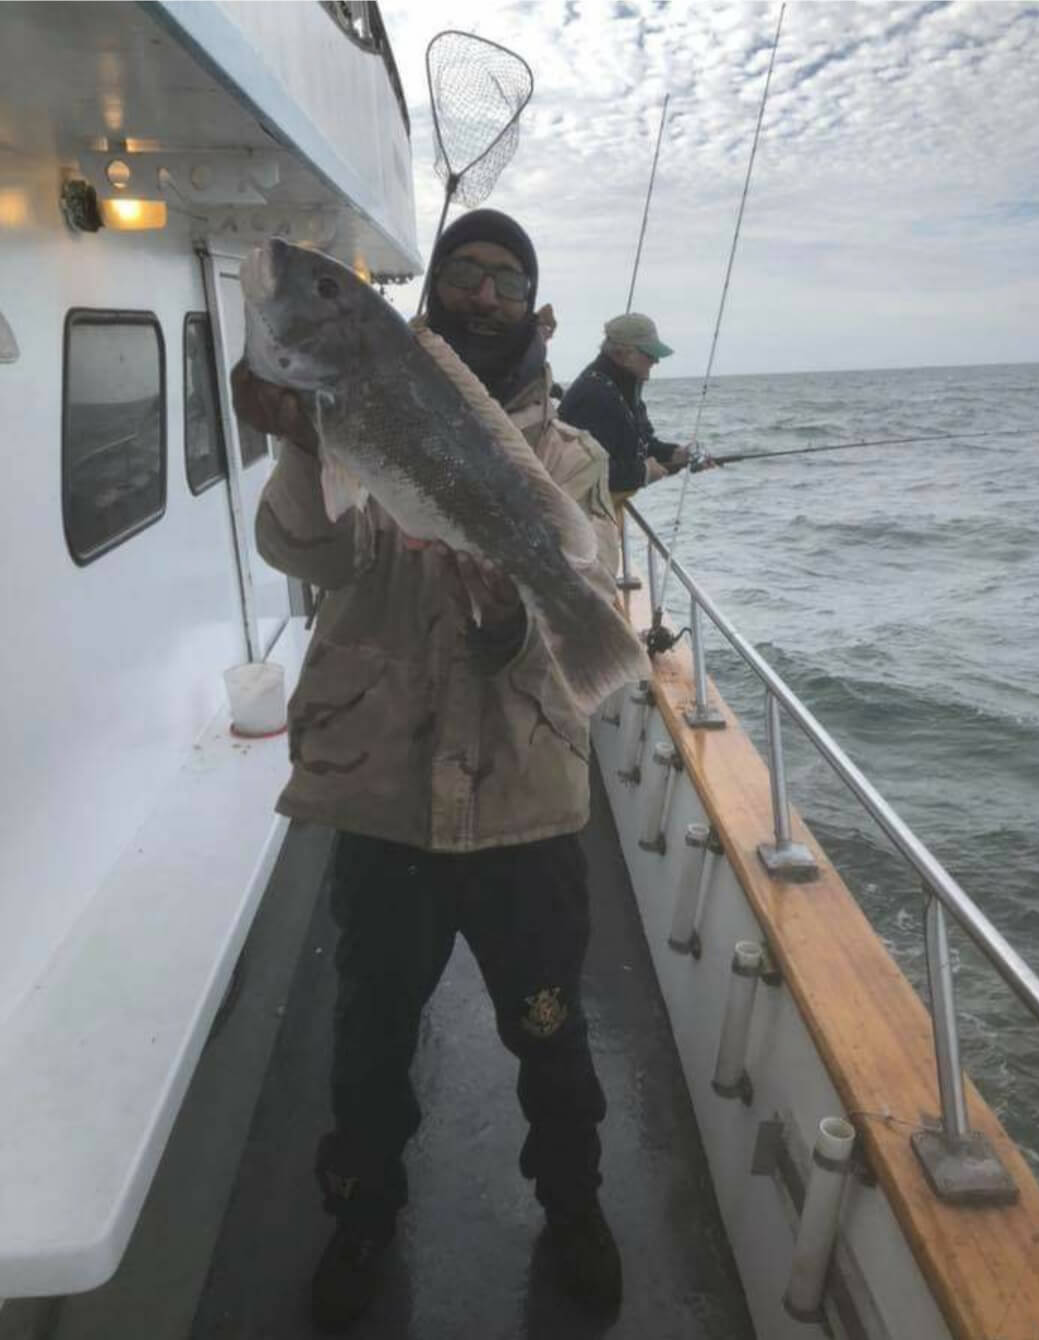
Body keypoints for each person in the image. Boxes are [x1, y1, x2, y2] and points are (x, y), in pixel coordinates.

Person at [230, 209, 623, 1333]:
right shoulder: (350, 400)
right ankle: (360, 1216)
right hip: (389, 800)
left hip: (521, 806)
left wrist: (511, 627)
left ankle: (576, 1206)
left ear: (535, 303)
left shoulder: (575, 458)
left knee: (551, 1032)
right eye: (464, 271)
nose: (485, 292)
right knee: (369, 1036)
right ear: (434, 291)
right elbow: (309, 550)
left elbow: (594, 593)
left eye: (508, 277)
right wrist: (306, 445)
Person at [558, 312, 691, 508]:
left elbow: (641, 444)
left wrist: (675, 455)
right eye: (650, 354)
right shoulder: (595, 395)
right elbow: (584, 471)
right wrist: (643, 473)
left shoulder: (624, 388)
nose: (656, 361)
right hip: (578, 512)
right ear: (622, 353)